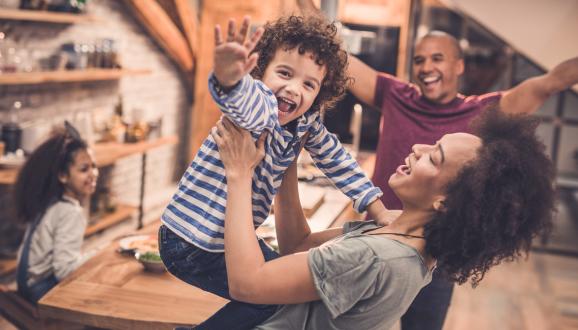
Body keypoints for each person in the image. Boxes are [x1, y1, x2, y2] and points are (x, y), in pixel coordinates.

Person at [296, 1, 578, 327]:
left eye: (437, 58)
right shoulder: (394, 94)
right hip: (379, 231)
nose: (426, 67)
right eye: (419, 60)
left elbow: (552, 81)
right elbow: (339, 56)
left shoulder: (485, 111)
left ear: (459, 66)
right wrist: (306, 5)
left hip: (434, 252)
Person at [212, 107, 555, 330]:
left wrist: (239, 173)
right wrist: (286, 166)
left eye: (433, 158)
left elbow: (247, 283)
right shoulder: (401, 238)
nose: (418, 148)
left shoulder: (374, 258)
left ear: (446, 203)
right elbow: (297, 246)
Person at [159, 15, 388, 329]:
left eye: (309, 84)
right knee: (275, 296)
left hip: (220, 242)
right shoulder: (260, 105)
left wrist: (377, 208)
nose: (294, 89)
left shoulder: (305, 123)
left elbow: (338, 160)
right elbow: (239, 98)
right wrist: (228, 76)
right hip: (191, 241)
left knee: (283, 289)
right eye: (284, 73)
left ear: (320, 93)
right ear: (259, 71)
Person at [14, 122, 98, 303]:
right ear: (62, 175)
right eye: (84, 169)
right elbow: (64, 271)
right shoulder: (71, 212)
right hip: (42, 292)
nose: (93, 174)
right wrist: (98, 255)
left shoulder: (50, 202)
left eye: (94, 166)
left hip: (25, 286)